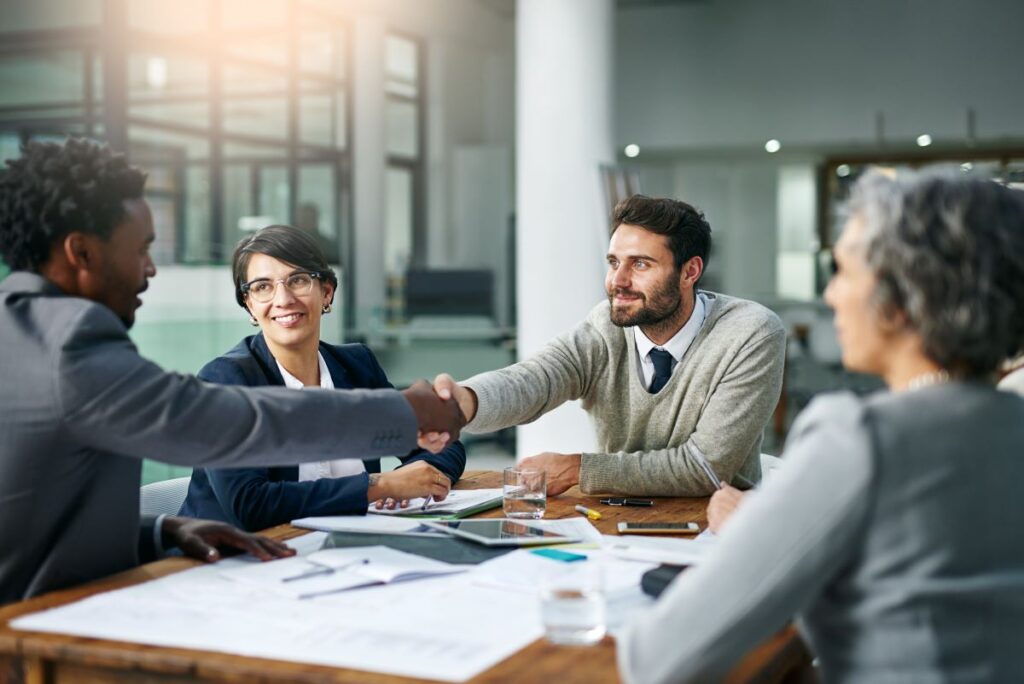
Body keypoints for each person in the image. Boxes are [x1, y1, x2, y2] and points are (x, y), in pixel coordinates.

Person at [0, 138, 462, 603]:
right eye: (141, 249)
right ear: (81, 253)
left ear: (326, 291)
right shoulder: (70, 340)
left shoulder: (20, 328)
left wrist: (161, 530)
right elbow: (232, 422)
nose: (151, 269)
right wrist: (405, 414)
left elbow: (36, 510)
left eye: (299, 280)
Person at [618, 172, 1024, 683]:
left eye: (844, 271)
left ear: (905, 294)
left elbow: (658, 658)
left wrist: (761, 536)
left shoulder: (859, 438)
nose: (831, 295)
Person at [435, 195, 785, 496]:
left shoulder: (749, 333)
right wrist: (465, 402)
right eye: (614, 262)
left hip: (719, 525)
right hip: (618, 517)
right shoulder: (606, 326)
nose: (618, 281)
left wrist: (579, 469)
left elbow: (706, 466)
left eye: (640, 264)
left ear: (689, 272)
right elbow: (534, 380)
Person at [178, 225, 466, 531]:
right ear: (249, 304)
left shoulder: (356, 365)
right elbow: (249, 504)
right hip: (231, 554)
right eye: (262, 287)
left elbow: (442, 442)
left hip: (338, 546)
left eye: (298, 280)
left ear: (326, 291)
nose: (283, 299)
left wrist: (422, 473)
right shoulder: (226, 379)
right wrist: (381, 486)